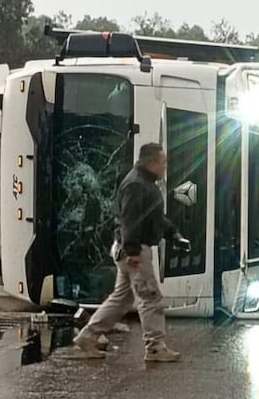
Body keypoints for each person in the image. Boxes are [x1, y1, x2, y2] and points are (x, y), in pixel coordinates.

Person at [72, 143, 190, 362]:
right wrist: (133, 251)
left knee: (121, 299)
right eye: (163, 162)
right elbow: (130, 220)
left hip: (128, 249)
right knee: (150, 297)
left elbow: (153, 217)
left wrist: (173, 234)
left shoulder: (144, 182)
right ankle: (155, 347)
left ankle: (88, 336)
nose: (166, 166)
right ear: (152, 163)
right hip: (134, 252)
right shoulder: (136, 185)